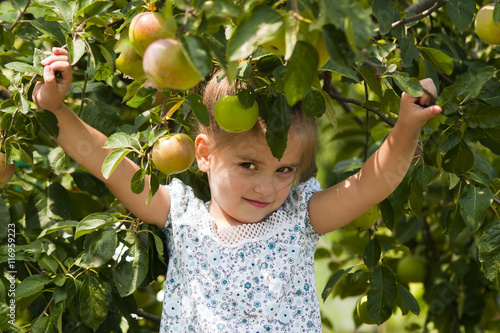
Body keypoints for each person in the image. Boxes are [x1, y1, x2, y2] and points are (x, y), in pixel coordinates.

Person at [33, 47, 442, 332]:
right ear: (205, 154)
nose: (267, 186)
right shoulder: (181, 216)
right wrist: (55, 108)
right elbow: (104, 160)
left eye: (284, 169)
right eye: (248, 165)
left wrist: (406, 126)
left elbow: (371, 185)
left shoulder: (298, 218)